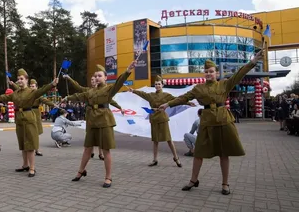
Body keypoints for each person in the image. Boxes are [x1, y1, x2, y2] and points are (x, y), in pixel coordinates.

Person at [158, 49, 263, 195]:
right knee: (198, 153)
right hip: (207, 123)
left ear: (216, 73)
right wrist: (168, 104)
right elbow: (184, 97)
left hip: (223, 121)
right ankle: (194, 180)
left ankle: (225, 184)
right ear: (204, 73)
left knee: (224, 154)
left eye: (211, 71)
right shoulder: (198, 88)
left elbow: (239, 74)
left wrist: (252, 62)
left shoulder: (224, 84)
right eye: (206, 71)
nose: (209, 73)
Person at [63, 60, 136, 188]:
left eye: (99, 75)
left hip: (104, 121)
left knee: (106, 150)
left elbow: (119, 83)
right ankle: (81, 171)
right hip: (92, 121)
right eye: (95, 75)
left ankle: (108, 177)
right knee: (87, 148)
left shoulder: (109, 89)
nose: (97, 78)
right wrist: (67, 98)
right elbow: (79, 95)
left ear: (106, 78)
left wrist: (128, 71)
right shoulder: (90, 91)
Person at [0, 69, 58, 178]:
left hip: (29, 118)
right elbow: (5, 97)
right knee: (22, 144)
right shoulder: (16, 93)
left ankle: (32, 168)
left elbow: (41, 91)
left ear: (26, 80)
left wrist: (52, 84)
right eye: (18, 79)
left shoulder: (32, 92)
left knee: (30, 145)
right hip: (19, 119)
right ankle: (25, 165)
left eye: (22, 79)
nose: (19, 80)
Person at [128, 75, 192, 167]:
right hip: (154, 120)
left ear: (162, 85)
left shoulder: (166, 96)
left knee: (169, 140)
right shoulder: (151, 95)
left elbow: (177, 100)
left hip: (163, 119)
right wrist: (133, 91)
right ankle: (155, 160)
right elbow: (142, 94)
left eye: (159, 84)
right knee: (155, 141)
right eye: (156, 84)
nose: (157, 85)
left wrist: (188, 103)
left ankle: (176, 158)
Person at [64, 74, 125, 161]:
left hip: (101, 116)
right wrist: (69, 79)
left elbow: (111, 100)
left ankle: (100, 153)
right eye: (92, 80)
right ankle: (90, 151)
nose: (93, 81)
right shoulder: (87, 90)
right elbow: (77, 87)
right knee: (90, 134)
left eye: (95, 79)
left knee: (101, 136)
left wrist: (120, 108)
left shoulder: (103, 91)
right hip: (90, 115)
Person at [10, 78, 57, 156]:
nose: (32, 87)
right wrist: (13, 84)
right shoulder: (27, 93)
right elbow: (18, 89)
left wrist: (53, 104)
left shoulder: (38, 95)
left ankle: (37, 149)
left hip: (36, 114)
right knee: (27, 133)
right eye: (31, 86)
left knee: (36, 133)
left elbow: (45, 100)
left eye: (33, 86)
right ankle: (28, 148)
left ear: (37, 87)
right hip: (28, 112)